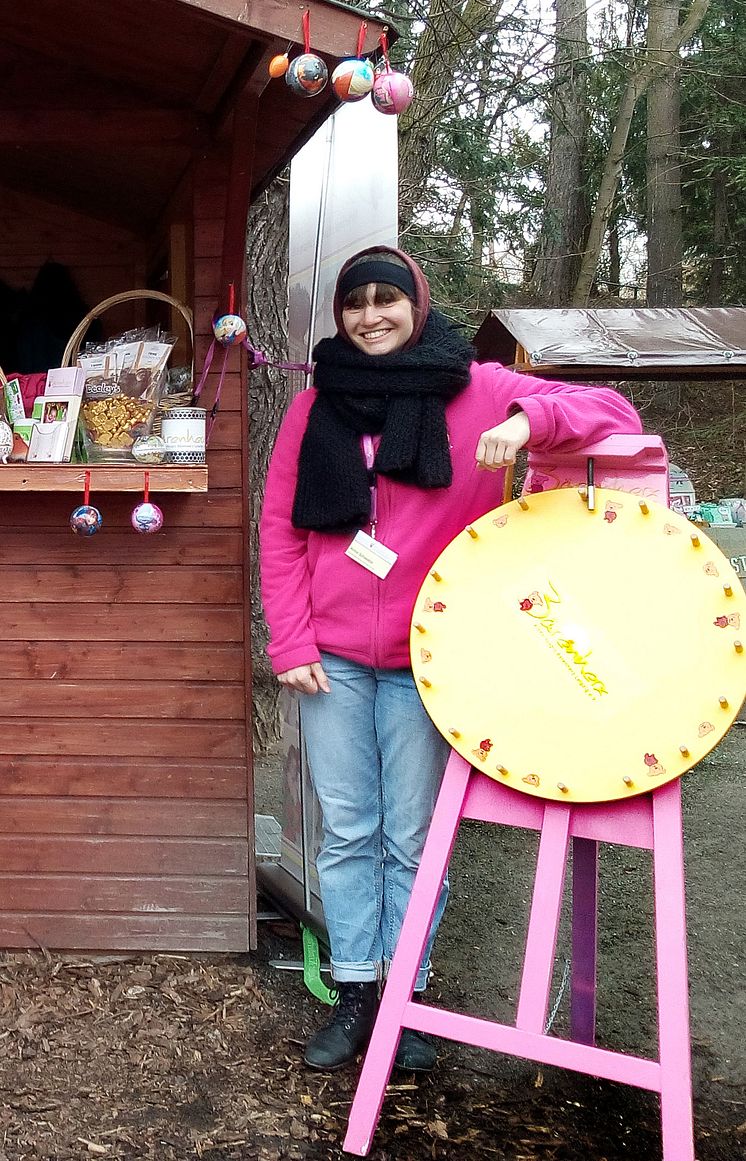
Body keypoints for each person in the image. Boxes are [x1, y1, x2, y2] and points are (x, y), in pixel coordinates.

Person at [259, 246, 642, 1074]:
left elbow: (613, 410)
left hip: (428, 656)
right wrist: (288, 639)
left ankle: (408, 994)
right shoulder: (313, 405)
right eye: (355, 303)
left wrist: (527, 422)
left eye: (385, 300)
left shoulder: (480, 388)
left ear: (416, 306)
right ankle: (357, 989)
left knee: (413, 834)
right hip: (328, 656)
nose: (370, 316)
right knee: (348, 829)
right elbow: (283, 532)